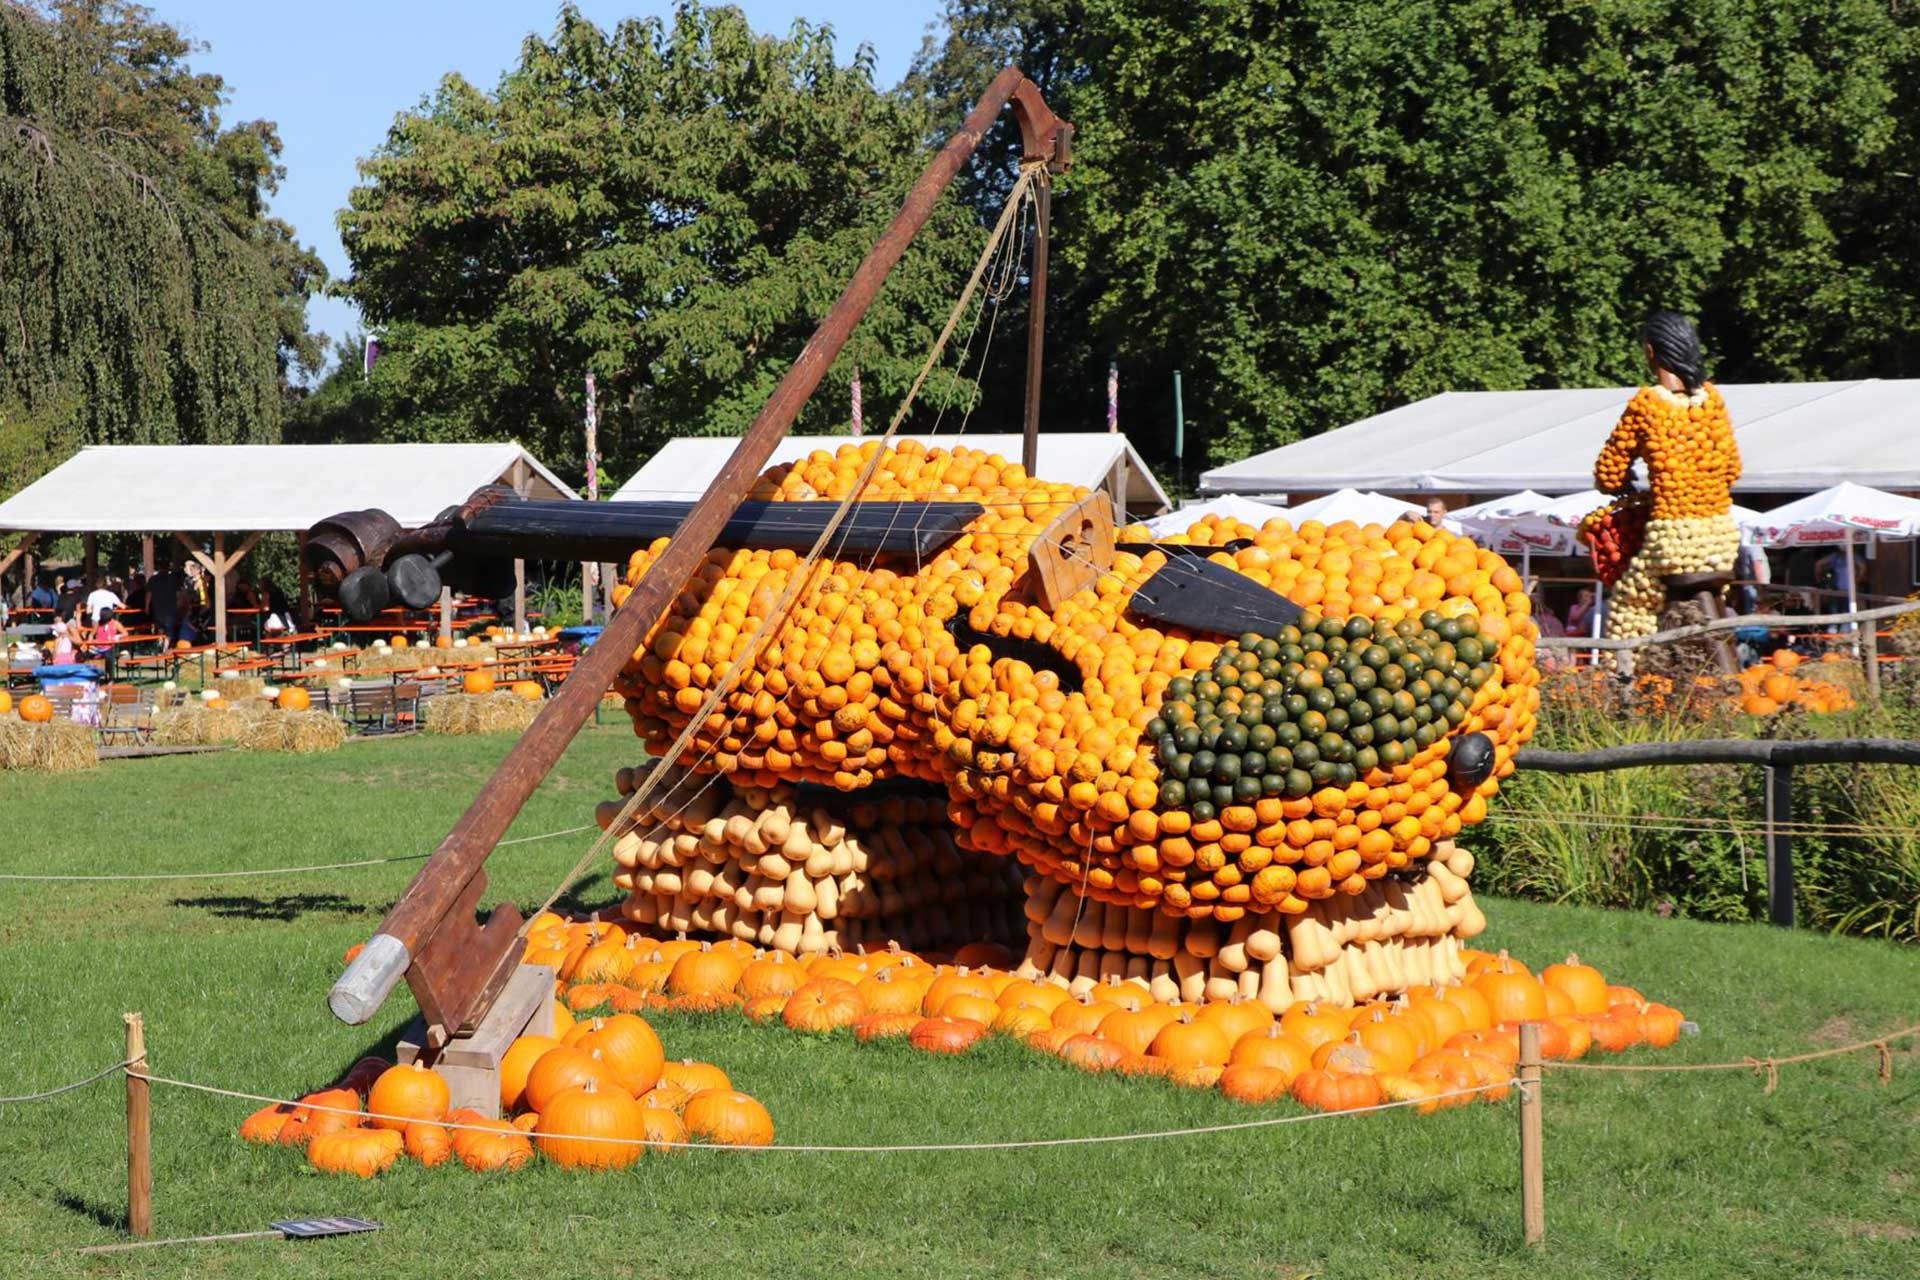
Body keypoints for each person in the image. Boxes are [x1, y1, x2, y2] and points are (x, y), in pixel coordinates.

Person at [1592, 310, 1742, 641]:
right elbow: (1732, 470)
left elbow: (1609, 473)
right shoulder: (1712, 401)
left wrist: (1623, 484)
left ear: (1650, 351)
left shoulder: (1646, 405)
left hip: (1672, 540)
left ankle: (1630, 683)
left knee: (1631, 604)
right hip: (1722, 537)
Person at [146, 560, 187, 645]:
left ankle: (159, 644)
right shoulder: (173, 579)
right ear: (168, 568)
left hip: (157, 606)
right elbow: (179, 593)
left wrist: (146, 606)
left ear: (159, 568)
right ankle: (165, 647)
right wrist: (180, 604)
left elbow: (148, 594)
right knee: (169, 629)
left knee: (160, 626)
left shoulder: (153, 579)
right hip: (171, 607)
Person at [90, 607, 125, 680]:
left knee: (109, 657)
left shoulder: (115, 623)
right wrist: (90, 644)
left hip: (109, 647)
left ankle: (110, 679)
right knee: (85, 655)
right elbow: (91, 634)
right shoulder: (98, 623)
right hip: (98, 648)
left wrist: (117, 636)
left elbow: (125, 633)